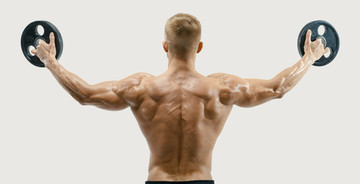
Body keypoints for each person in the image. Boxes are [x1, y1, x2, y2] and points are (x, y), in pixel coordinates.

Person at [32, 13, 329, 184]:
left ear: (164, 45)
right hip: (201, 180)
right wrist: (310, 57)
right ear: (199, 46)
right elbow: (277, 88)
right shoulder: (221, 89)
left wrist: (51, 61)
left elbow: (85, 95)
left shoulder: (142, 88)